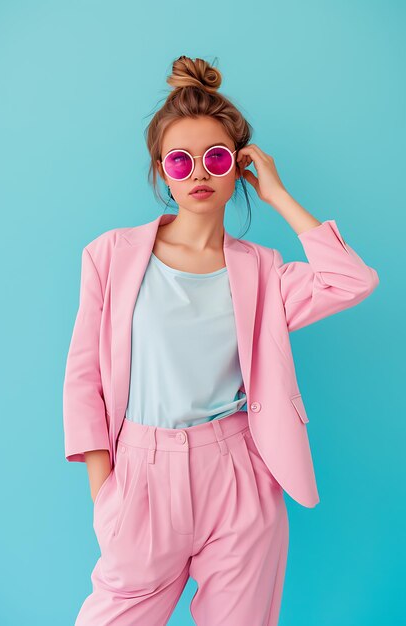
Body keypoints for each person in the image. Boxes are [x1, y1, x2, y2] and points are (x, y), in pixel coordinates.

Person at [63, 55, 379, 626]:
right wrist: (103, 494)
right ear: (162, 171)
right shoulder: (110, 256)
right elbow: (84, 381)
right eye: (180, 161)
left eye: (215, 158)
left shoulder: (263, 272)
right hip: (142, 475)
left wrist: (279, 195)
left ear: (237, 167)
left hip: (240, 476)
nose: (198, 174)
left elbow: (350, 280)